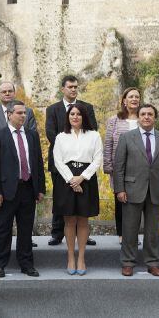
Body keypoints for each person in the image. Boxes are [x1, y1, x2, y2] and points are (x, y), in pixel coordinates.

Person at [0, 101, 45, 278]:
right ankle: (0, 264)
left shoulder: (32, 135)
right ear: (9, 115)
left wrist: (40, 188)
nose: (23, 116)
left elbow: (38, 163)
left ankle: (26, 264)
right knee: (3, 230)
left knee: (26, 230)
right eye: (19, 113)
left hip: (28, 189)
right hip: (6, 191)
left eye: (25, 113)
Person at [114, 104, 159, 277]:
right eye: (143, 114)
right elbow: (119, 167)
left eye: (150, 114)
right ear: (138, 117)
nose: (146, 117)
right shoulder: (126, 137)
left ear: (155, 118)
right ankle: (128, 262)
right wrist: (120, 189)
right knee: (129, 229)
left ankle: (153, 263)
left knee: (152, 230)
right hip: (131, 190)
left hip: (156, 190)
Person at [45, 75, 98, 247]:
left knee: (83, 202)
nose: (73, 89)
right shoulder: (52, 109)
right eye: (70, 87)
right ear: (63, 89)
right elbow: (50, 133)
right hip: (60, 162)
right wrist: (67, 146)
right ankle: (57, 233)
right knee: (62, 199)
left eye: (75, 87)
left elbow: (93, 129)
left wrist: (78, 148)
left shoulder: (87, 107)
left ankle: (84, 235)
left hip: (84, 163)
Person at [0, 81, 38, 248]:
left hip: (26, 181)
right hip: (4, 176)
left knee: (25, 225)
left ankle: (26, 256)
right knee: (2, 223)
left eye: (10, 91)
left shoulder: (28, 114)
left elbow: (35, 156)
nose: (7, 93)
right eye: (4, 91)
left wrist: (39, 188)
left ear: (14, 93)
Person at [53, 104, 102, 275]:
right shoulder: (61, 137)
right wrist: (72, 180)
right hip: (66, 179)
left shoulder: (94, 135)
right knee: (69, 220)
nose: (75, 117)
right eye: (72, 114)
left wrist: (81, 178)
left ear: (84, 117)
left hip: (86, 178)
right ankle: (70, 257)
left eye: (78, 114)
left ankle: (81, 258)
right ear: (68, 117)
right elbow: (58, 160)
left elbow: (97, 159)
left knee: (82, 220)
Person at [103, 87, 141, 243]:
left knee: (137, 202)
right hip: (119, 168)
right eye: (131, 96)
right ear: (124, 100)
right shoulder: (114, 120)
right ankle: (122, 234)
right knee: (120, 200)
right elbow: (108, 144)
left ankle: (134, 234)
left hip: (139, 168)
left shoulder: (144, 118)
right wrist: (108, 166)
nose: (134, 99)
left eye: (137, 97)